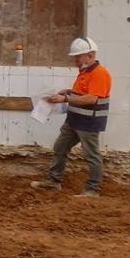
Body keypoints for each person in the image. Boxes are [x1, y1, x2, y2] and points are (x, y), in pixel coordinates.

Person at [31, 37, 111, 197]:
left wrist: (66, 99)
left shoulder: (100, 74)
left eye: (78, 56)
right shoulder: (85, 72)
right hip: (74, 120)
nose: (75, 59)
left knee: (91, 155)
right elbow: (82, 93)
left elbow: (91, 98)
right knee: (60, 147)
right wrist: (67, 92)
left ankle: (92, 189)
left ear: (89, 54)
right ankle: (53, 181)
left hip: (89, 122)